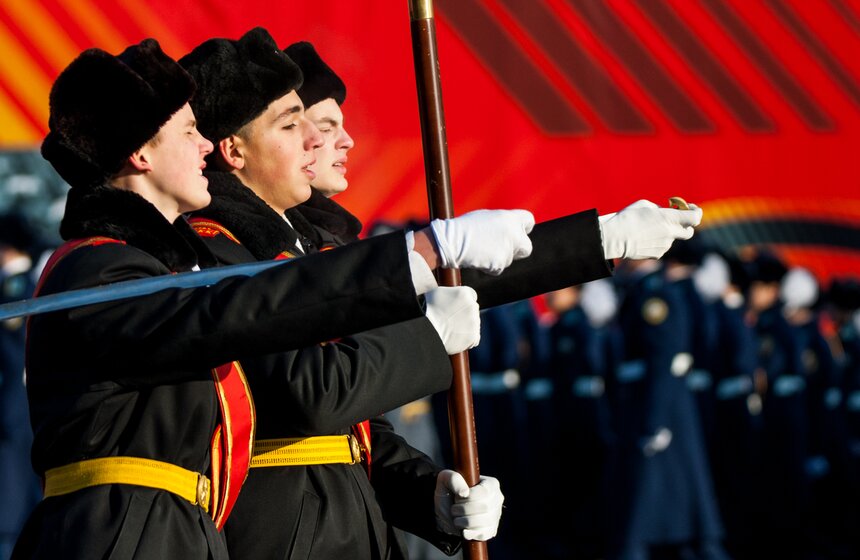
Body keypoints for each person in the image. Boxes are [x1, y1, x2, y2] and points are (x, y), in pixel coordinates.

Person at [13, 38, 535, 560]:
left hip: (180, 533)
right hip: (118, 539)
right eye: (190, 132)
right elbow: (236, 316)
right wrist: (417, 254)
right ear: (141, 153)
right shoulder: (97, 266)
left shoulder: (155, 268)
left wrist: (427, 495)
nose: (204, 146)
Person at [0, 213, 42, 560]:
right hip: (29, 406)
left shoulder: (14, 288)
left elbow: (12, 354)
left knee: (14, 502)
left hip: (15, 406)